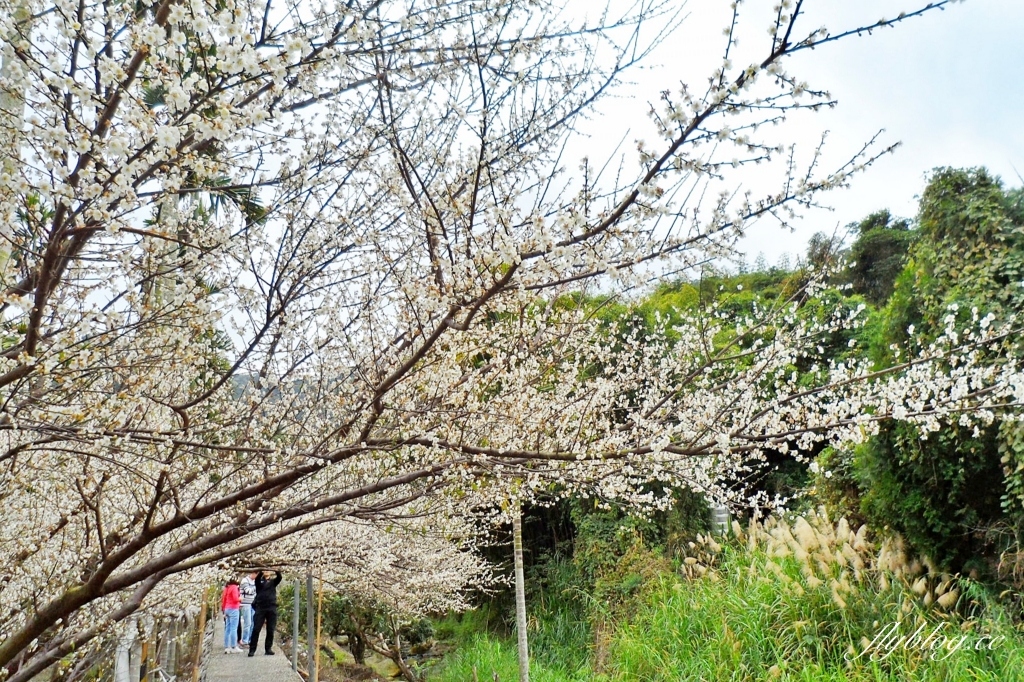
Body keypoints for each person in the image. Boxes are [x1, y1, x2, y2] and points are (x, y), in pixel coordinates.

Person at [248, 570, 283, 657]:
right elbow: (257, 579)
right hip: (261, 608)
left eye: (268, 571)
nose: (267, 572)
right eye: (265, 571)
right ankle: (252, 649)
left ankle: (268, 649)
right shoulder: (259, 582)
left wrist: (275, 570)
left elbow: (279, 577)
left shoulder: (273, 582)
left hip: (271, 607)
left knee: (270, 629)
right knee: (256, 629)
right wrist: (261, 571)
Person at [221, 579, 243, 654]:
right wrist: (240, 598)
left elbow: (224, 599)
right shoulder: (234, 587)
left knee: (227, 628)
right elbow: (235, 599)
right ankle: (234, 646)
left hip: (227, 608)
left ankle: (227, 647)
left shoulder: (227, 587)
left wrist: (223, 609)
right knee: (234, 628)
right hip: (233, 608)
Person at [238, 571, 257, 647]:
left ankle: (250, 640)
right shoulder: (245, 580)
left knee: (253, 623)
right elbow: (248, 591)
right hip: (245, 604)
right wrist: (256, 587)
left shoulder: (254, 581)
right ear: (253, 573)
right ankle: (245, 641)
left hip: (253, 604)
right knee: (247, 623)